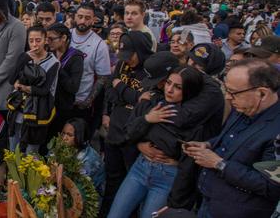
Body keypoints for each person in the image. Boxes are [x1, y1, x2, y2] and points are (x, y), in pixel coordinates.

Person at [186, 59, 280, 218]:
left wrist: (218, 163)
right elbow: (231, 138)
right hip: (209, 200)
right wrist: (208, 145)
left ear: (262, 93)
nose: (228, 98)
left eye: (233, 92)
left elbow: (270, 186)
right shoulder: (244, 106)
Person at [109, 66, 204, 218]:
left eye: (177, 87)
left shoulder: (193, 119)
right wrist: (147, 120)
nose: (170, 90)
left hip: (167, 175)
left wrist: (175, 201)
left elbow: (185, 161)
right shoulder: (153, 102)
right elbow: (128, 132)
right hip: (140, 168)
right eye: (168, 83)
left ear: (189, 90)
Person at [101, 31, 154, 215]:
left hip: (134, 137)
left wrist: (120, 87)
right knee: (112, 178)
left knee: (132, 184)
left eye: (130, 55)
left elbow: (145, 102)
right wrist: (130, 96)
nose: (127, 60)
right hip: (114, 130)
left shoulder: (151, 69)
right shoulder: (122, 64)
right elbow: (109, 89)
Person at [7, 26, 59, 153]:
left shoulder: (53, 62)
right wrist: (23, 60)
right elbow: (11, 79)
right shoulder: (25, 56)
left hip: (37, 112)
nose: (34, 44)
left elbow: (44, 90)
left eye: (38, 40)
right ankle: (12, 172)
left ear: (45, 40)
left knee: (31, 151)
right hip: (19, 109)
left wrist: (23, 87)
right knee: (14, 148)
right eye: (31, 41)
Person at [69, 4, 111, 131]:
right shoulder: (65, 35)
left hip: (80, 102)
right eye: (80, 16)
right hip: (60, 98)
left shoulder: (99, 44)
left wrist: (88, 101)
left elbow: (103, 77)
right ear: (74, 17)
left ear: (93, 20)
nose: (83, 21)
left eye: (87, 18)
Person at [45, 23, 83, 141]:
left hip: (62, 108)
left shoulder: (76, 57)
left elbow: (73, 87)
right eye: (47, 39)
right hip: (46, 105)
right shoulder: (49, 52)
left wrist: (58, 67)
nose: (48, 42)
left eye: (51, 39)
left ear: (64, 38)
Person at [60, 117, 106, 195]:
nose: (64, 138)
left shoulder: (89, 160)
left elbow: (80, 190)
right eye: (63, 133)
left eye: (69, 135)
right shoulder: (61, 148)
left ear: (80, 136)